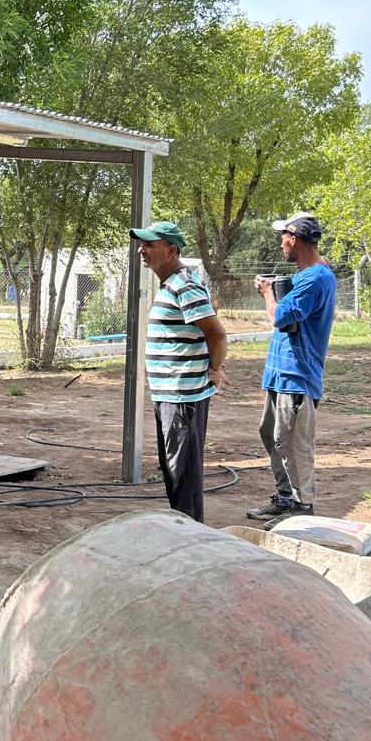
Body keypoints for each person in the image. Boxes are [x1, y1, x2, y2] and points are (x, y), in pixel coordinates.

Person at [130, 222, 229, 523]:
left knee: (182, 475)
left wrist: (215, 369)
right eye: (142, 244)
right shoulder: (171, 284)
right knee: (174, 471)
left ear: (171, 250)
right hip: (170, 396)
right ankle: (185, 535)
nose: (141, 250)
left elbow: (217, 335)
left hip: (181, 398)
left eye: (149, 245)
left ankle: (192, 543)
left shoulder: (184, 285)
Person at [247, 212, 336, 529]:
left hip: (297, 378)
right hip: (280, 375)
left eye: (283, 236)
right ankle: (285, 498)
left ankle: (302, 506)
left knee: (293, 443)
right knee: (272, 435)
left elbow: (281, 318)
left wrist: (268, 293)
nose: (281, 243)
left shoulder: (315, 278)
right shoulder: (303, 277)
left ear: (294, 238)